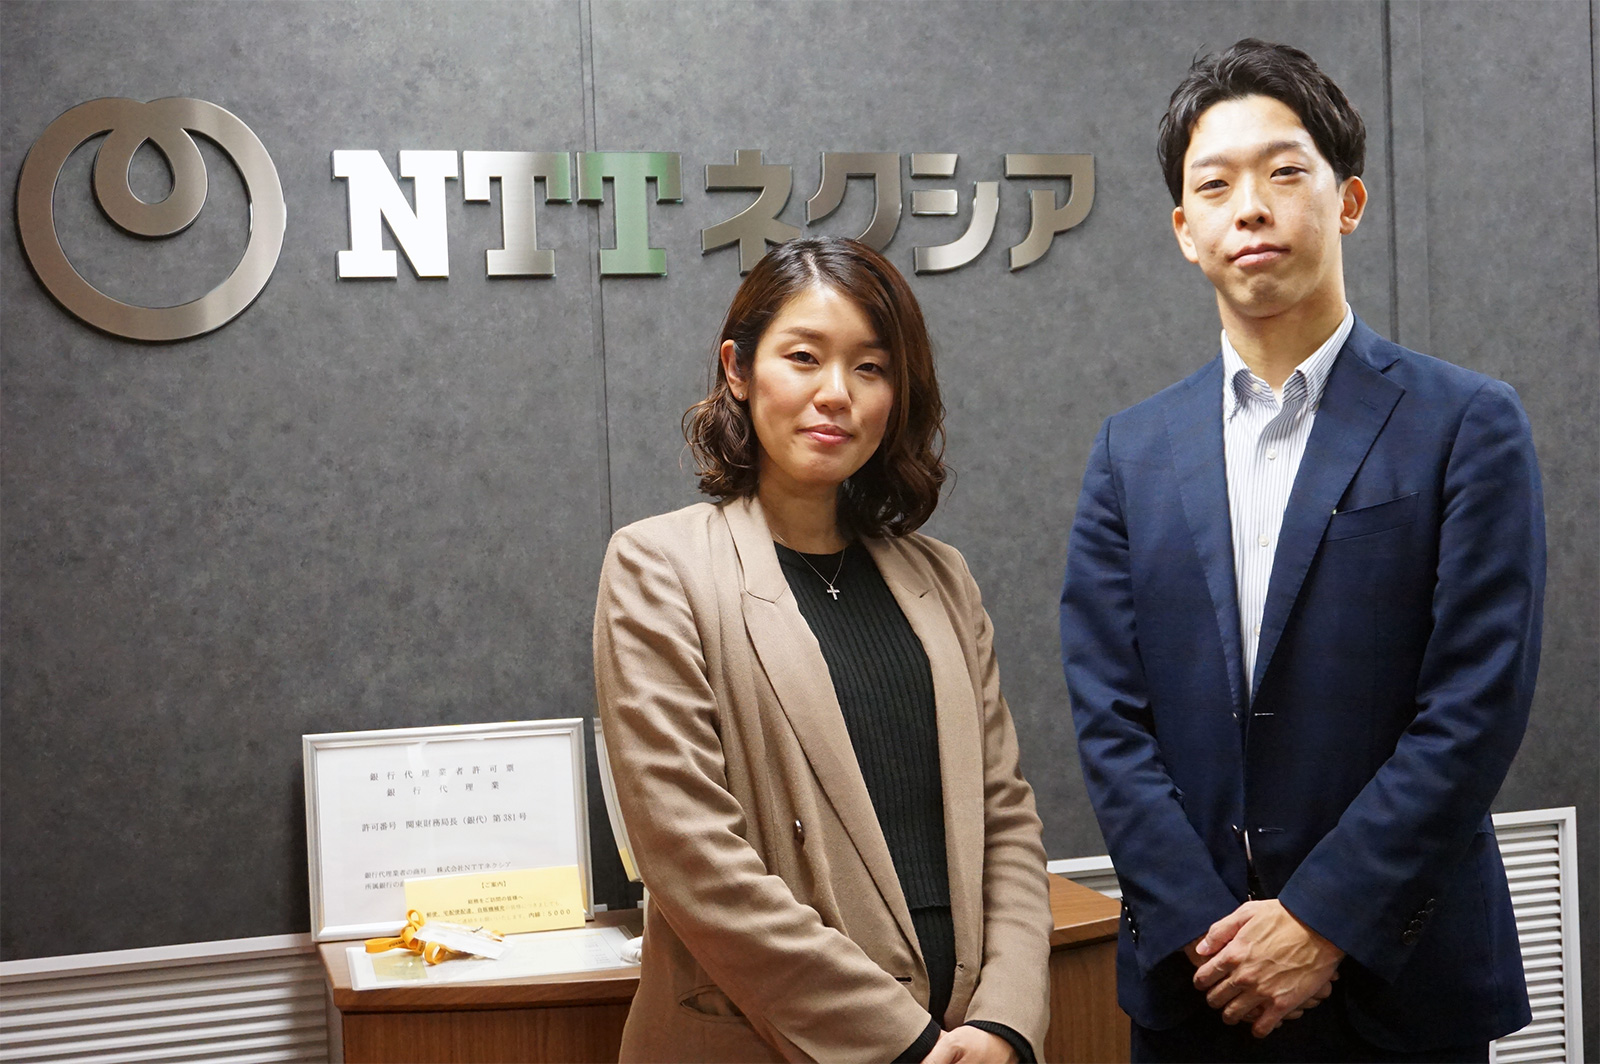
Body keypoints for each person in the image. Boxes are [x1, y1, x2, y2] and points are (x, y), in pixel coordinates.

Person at [1060, 38, 1545, 1064]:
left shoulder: (1466, 423)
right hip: (1197, 987)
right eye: (1214, 185)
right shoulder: (1129, 452)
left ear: (1348, 200)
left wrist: (1321, 920)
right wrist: (1210, 935)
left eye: (1284, 172)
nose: (1250, 207)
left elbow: (1474, 705)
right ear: (1184, 230)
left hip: (1397, 981)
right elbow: (1109, 716)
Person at [593, 237, 1051, 1063]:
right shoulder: (659, 566)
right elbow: (693, 858)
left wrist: (1004, 1024)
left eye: (870, 368)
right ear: (738, 369)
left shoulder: (942, 578)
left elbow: (1005, 818)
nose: (835, 393)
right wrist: (905, 1044)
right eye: (803, 357)